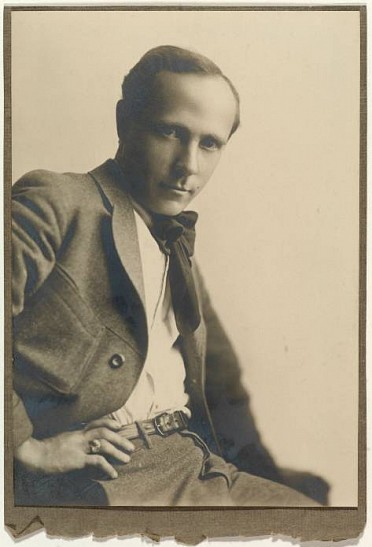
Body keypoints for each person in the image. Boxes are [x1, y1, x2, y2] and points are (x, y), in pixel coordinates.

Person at [12, 45, 326, 507]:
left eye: (210, 143)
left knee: (316, 516)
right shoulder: (58, 203)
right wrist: (24, 446)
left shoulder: (179, 251)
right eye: (169, 132)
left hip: (191, 462)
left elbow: (224, 385)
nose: (189, 166)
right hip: (103, 477)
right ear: (124, 122)